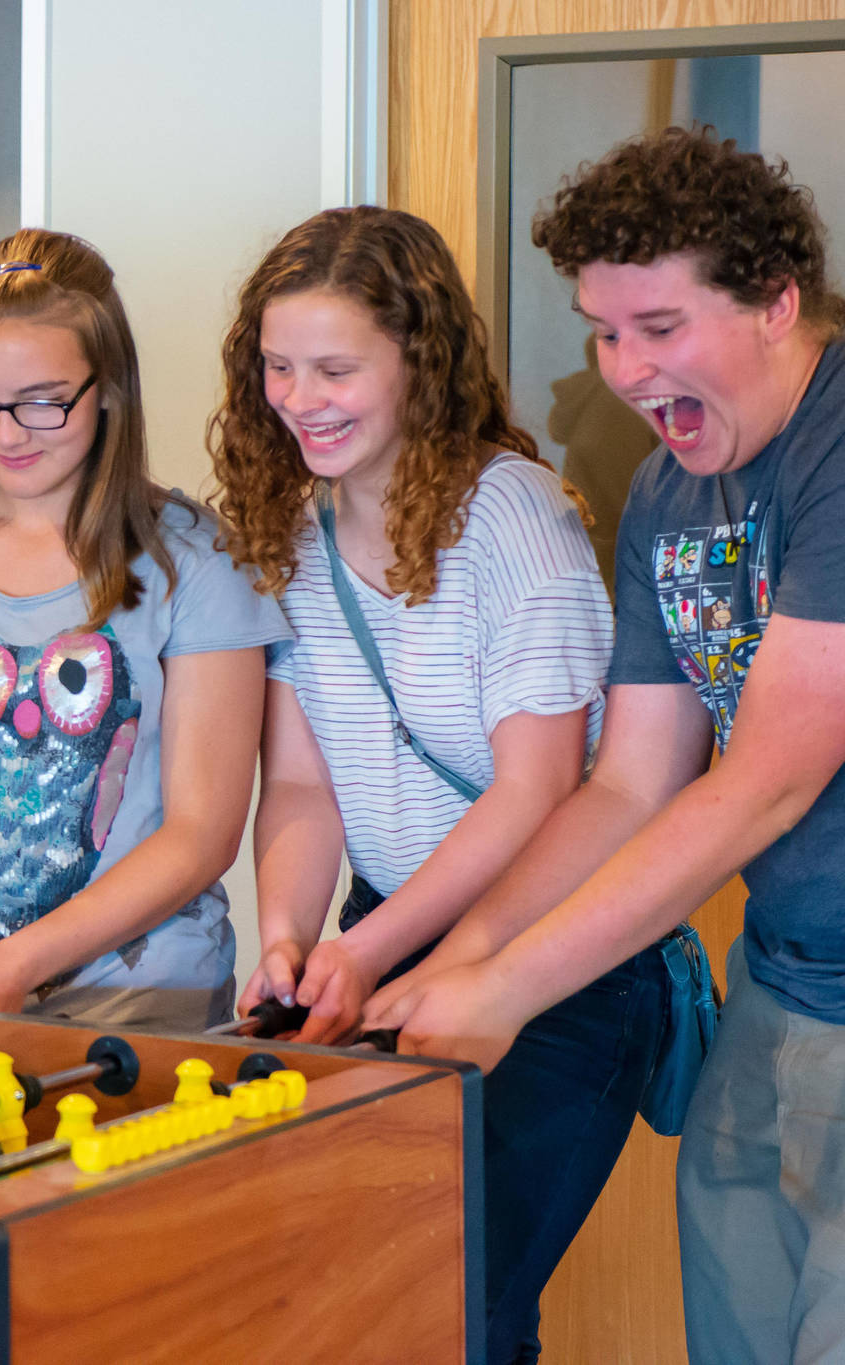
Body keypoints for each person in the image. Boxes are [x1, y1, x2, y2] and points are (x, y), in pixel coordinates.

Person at [365, 127, 845, 1365]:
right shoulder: (666, 496)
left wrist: (509, 992)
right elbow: (629, 782)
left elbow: (767, 779)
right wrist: (453, 965)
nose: (625, 369)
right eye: (600, 330)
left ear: (776, 303)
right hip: (784, 990)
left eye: (660, 327)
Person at [209, 204, 664, 1363]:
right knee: (359, 1303)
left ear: (417, 361)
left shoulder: (508, 516)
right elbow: (303, 793)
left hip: (554, 964)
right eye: (274, 368)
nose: (298, 398)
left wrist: (361, 956)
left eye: (332, 369)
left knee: (456, 1306)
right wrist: (287, 939)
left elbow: (537, 793)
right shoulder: (291, 531)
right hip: (383, 934)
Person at [0, 229, 285, 1028]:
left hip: (140, 995)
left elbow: (201, 831)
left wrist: (13, 965)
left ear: (107, 387)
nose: (6, 433)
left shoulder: (196, 560)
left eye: (43, 400)